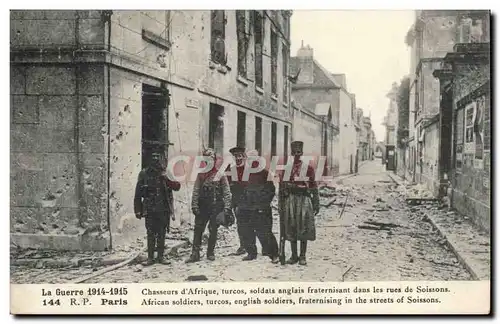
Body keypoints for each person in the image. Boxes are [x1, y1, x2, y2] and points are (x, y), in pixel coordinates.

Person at [134, 151, 181, 266]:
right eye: (153, 157)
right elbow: (138, 194)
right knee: (150, 233)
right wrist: (138, 210)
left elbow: (177, 187)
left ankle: (160, 257)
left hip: (163, 208)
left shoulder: (166, 173)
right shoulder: (144, 174)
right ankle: (150, 258)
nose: (155, 160)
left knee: (161, 233)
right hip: (150, 208)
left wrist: (167, 179)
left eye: (157, 157)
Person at [186, 148, 232, 263]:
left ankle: (210, 253)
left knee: (213, 230)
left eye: (212, 159)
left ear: (215, 160)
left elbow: (226, 192)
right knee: (198, 230)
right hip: (203, 207)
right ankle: (195, 254)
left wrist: (227, 208)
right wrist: (194, 205)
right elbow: (196, 190)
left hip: (216, 207)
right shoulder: (200, 174)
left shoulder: (220, 174)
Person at [278, 141, 320, 266]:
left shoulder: (309, 168)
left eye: (299, 152)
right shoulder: (287, 169)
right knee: (291, 226)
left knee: (303, 227)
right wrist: (281, 203)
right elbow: (281, 187)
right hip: (290, 200)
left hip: (304, 200)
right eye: (294, 152)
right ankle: (294, 255)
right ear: (292, 153)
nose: (297, 154)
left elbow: (314, 187)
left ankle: (302, 256)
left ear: (301, 153)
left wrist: (316, 203)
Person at [237, 151, 279, 263]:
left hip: (261, 208)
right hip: (248, 207)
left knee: (265, 232)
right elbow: (241, 189)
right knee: (247, 231)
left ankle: (274, 254)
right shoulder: (245, 174)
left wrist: (263, 203)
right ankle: (251, 253)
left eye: (254, 159)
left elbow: (271, 190)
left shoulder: (265, 173)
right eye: (249, 160)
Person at [226, 146, 247, 256]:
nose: (238, 158)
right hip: (237, 200)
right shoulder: (231, 169)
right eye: (236, 156)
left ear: (244, 157)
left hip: (248, 200)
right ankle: (243, 246)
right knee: (240, 224)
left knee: (251, 223)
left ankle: (253, 246)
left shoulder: (248, 169)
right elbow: (227, 184)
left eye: (240, 156)